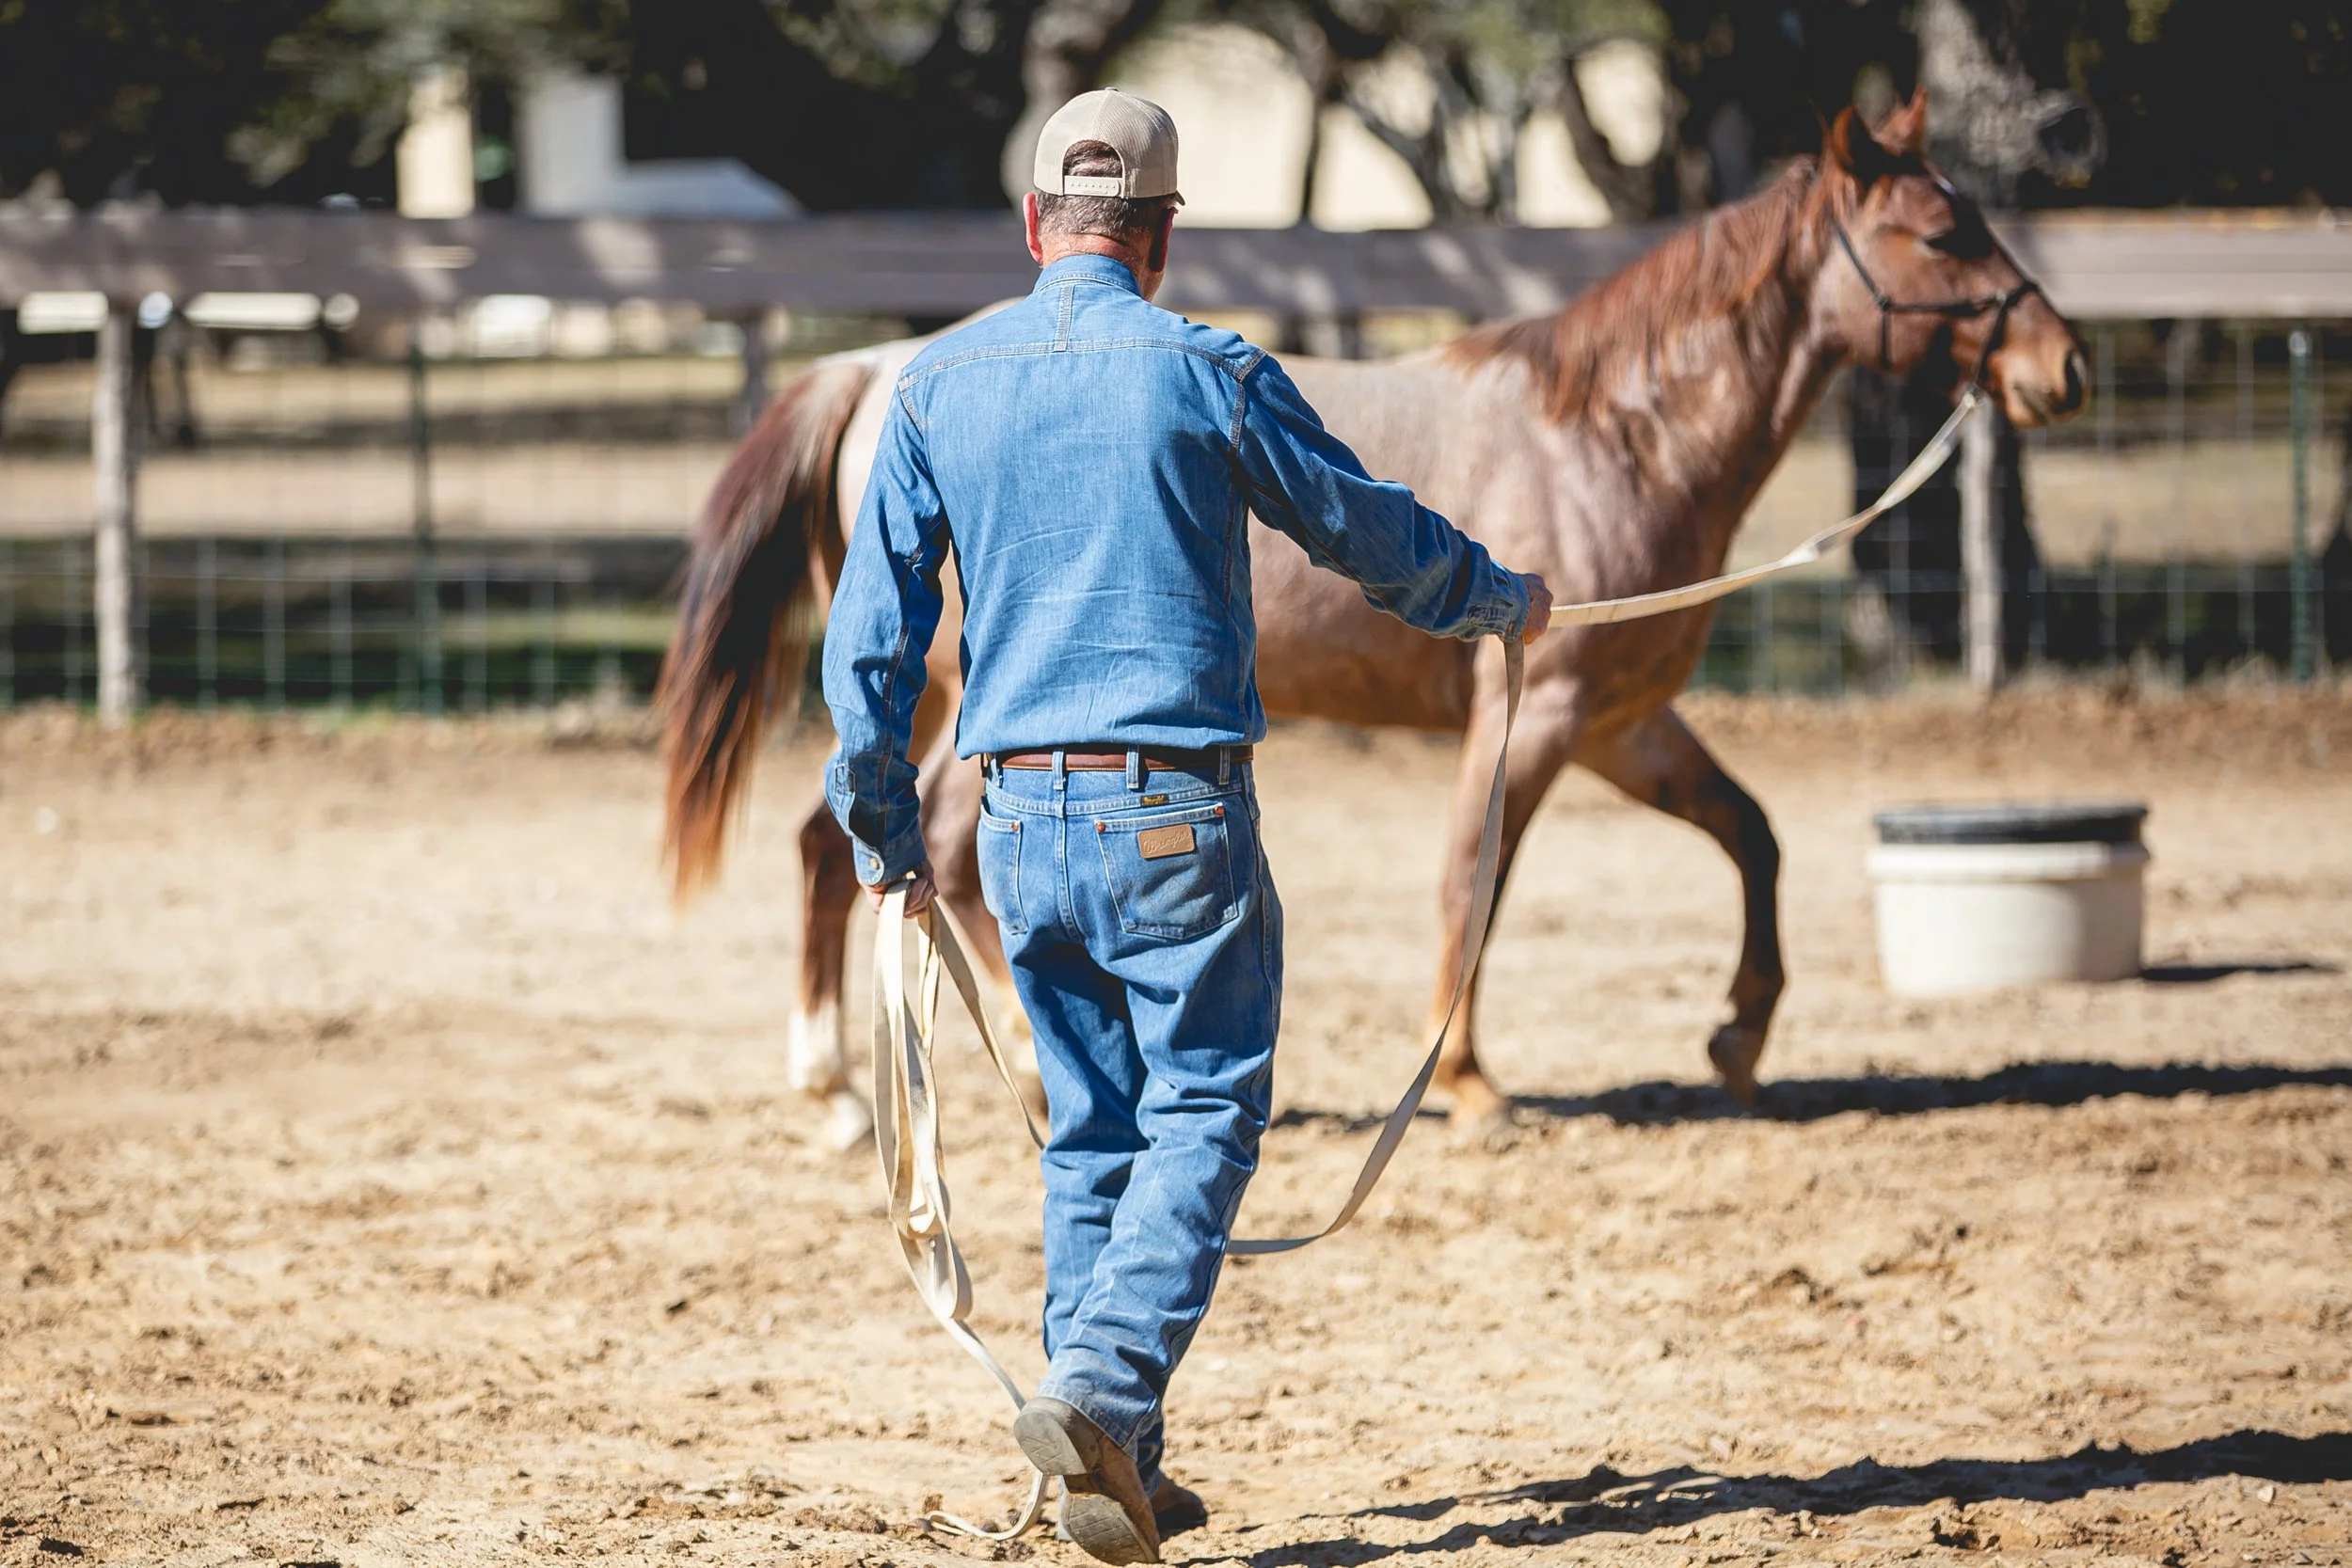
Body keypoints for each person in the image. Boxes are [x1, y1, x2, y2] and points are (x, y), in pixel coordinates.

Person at [821, 87, 1553, 1565]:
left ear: (1037, 227)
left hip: (1018, 816)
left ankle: (1120, 1462)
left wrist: (885, 828)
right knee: (1207, 1105)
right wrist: (1495, 597)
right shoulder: (1210, 369)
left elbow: (870, 646)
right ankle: (1100, 1389)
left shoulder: (939, 389)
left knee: (1092, 1132)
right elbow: (1359, 527)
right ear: (1158, 239)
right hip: (1177, 816)